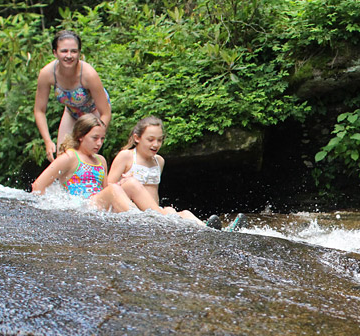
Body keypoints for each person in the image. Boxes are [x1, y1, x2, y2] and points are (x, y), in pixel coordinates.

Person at [107, 116, 220, 228]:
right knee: (133, 185)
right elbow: (110, 188)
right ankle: (163, 217)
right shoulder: (126, 156)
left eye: (159, 140)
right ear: (137, 138)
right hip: (133, 210)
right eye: (150, 140)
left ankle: (210, 229)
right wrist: (123, 181)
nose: (155, 144)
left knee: (182, 212)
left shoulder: (159, 161)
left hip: (154, 211)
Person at [34, 30, 112, 163]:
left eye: (74, 51)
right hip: (72, 112)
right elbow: (39, 110)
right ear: (55, 53)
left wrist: (98, 135)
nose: (69, 56)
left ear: (79, 53)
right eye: (64, 51)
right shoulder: (47, 74)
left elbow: (105, 112)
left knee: (85, 155)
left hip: (94, 113)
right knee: (62, 156)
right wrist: (48, 141)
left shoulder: (88, 74)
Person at [31, 115, 132, 212]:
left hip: (98, 205)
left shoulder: (101, 160)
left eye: (102, 138)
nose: (99, 143)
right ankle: (137, 219)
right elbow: (38, 186)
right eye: (95, 138)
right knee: (113, 189)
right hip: (82, 206)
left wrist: (120, 183)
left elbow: (104, 189)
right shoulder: (70, 157)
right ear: (80, 136)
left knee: (131, 184)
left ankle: (145, 219)